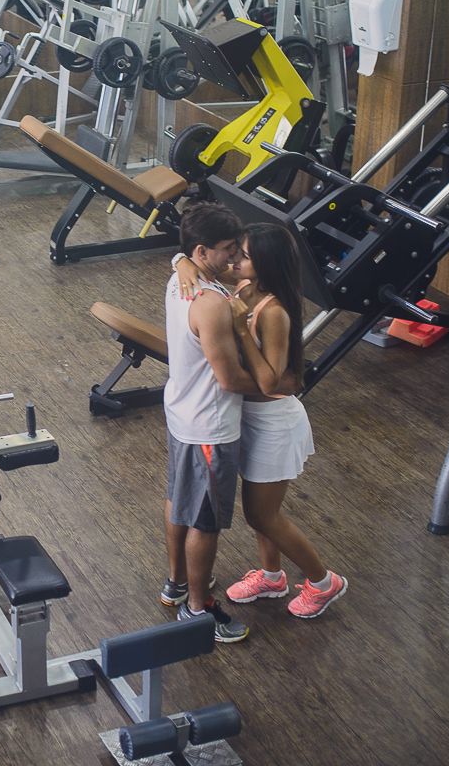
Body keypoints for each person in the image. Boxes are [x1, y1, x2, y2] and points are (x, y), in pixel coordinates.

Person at [175, 222, 346, 619]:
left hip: (274, 423)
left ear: (265, 263)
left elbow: (269, 381)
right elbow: (195, 256)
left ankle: (323, 582)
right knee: (258, 507)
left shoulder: (274, 313)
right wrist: (181, 260)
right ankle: (272, 576)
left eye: (244, 255)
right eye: (235, 253)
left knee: (261, 513)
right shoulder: (241, 290)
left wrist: (238, 327)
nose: (235, 259)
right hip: (247, 419)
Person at [161, 203, 260, 643]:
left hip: (182, 414)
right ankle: (198, 609)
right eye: (228, 250)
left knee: (179, 499)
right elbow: (230, 378)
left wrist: (180, 259)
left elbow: (181, 258)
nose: (236, 258)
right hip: (210, 429)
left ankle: (178, 582)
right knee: (205, 521)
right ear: (202, 251)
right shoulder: (213, 303)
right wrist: (277, 386)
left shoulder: (179, 277)